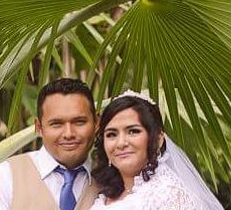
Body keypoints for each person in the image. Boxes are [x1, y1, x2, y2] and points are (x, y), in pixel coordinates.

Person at [0, 78, 100, 210]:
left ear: (97, 122)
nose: (68, 134)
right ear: (39, 128)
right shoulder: (5, 176)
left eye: (79, 122)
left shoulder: (112, 177)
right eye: (56, 124)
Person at [89, 90, 224, 210]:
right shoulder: (100, 191)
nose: (121, 143)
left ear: (158, 139)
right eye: (112, 134)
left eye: (133, 131)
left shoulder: (169, 194)